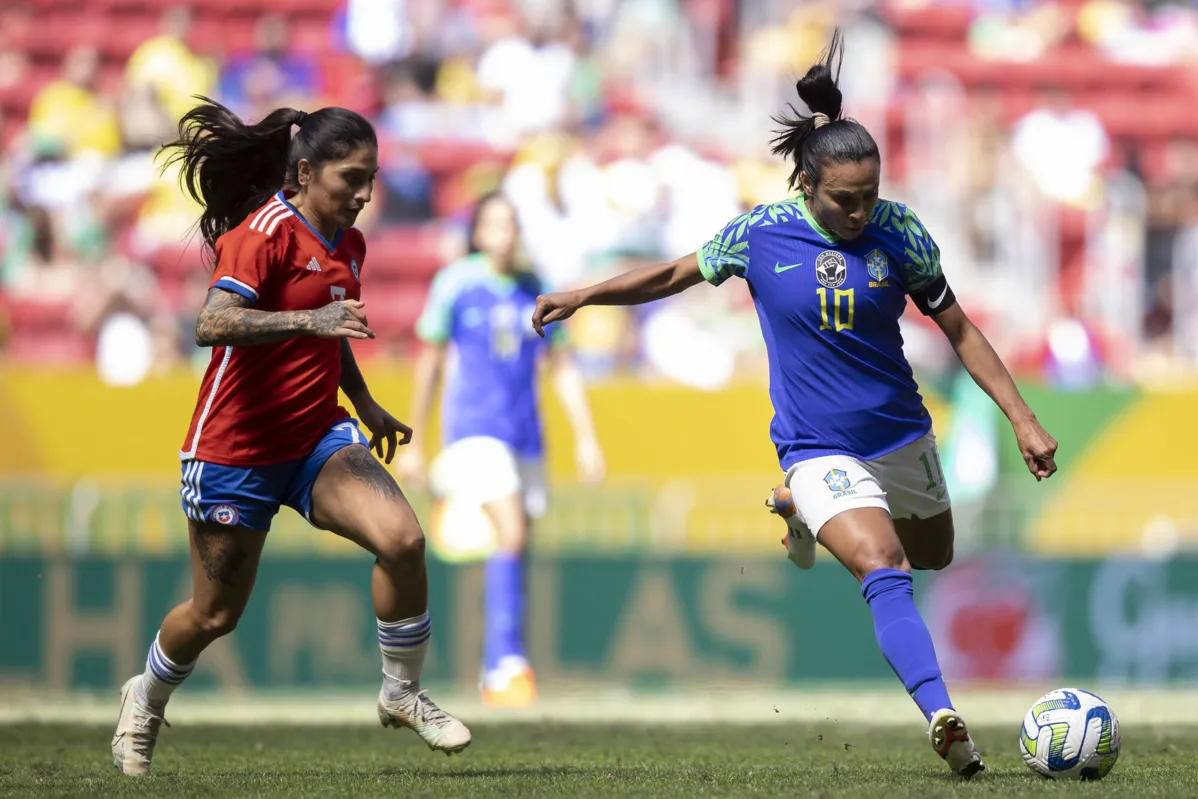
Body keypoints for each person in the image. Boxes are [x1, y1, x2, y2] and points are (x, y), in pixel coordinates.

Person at [531, 31, 1059, 778]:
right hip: (816, 443)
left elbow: (960, 327)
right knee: (885, 563)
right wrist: (583, 293)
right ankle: (944, 715)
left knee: (936, 551)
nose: (859, 210)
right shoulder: (761, 234)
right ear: (807, 186)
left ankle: (797, 509)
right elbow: (674, 274)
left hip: (902, 433)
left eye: (869, 194)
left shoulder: (899, 230)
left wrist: (1023, 417)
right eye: (845, 199)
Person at [111, 98, 471, 776]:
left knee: (404, 540)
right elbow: (212, 323)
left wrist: (364, 403)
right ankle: (147, 696)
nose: (364, 194)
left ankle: (402, 691)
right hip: (234, 452)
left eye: (371, 178)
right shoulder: (262, 233)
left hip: (316, 438)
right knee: (215, 617)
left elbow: (332, 330)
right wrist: (311, 322)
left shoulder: (349, 242)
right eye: (351, 178)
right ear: (305, 172)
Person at [398, 191, 605, 708]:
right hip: (473, 430)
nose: (505, 232)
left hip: (525, 435)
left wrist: (586, 438)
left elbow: (561, 365)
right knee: (510, 530)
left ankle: (495, 668)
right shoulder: (457, 284)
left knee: (518, 541)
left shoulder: (534, 288)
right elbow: (430, 362)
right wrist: (417, 443)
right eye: (494, 223)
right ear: (479, 232)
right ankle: (507, 664)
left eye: (511, 223)